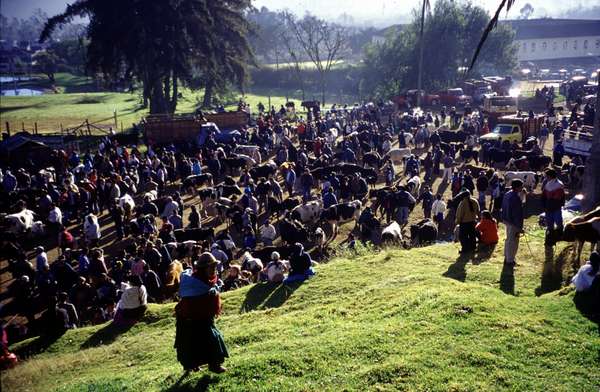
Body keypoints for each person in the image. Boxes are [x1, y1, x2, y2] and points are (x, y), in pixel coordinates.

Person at [174, 253, 228, 373]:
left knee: (208, 339)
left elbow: (211, 290)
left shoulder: (206, 281)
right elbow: (199, 298)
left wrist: (216, 288)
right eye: (211, 267)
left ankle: (212, 364)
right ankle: (198, 365)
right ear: (203, 269)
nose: (214, 270)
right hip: (189, 318)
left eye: (215, 267)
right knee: (196, 342)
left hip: (203, 317)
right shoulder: (195, 283)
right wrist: (213, 290)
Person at [501, 179, 524, 266]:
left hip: (507, 220)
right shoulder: (515, 197)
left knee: (508, 240)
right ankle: (510, 260)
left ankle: (507, 257)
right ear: (517, 187)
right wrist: (519, 227)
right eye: (521, 186)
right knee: (513, 241)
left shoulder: (507, 194)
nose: (522, 188)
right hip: (513, 222)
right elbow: (517, 213)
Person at [541, 169, 565, 246]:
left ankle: (559, 237)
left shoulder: (559, 184)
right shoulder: (547, 183)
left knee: (558, 223)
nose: (546, 177)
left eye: (547, 176)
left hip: (555, 208)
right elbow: (544, 195)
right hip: (548, 208)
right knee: (549, 225)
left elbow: (557, 198)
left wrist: (548, 203)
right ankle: (549, 240)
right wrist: (544, 205)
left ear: (550, 176)